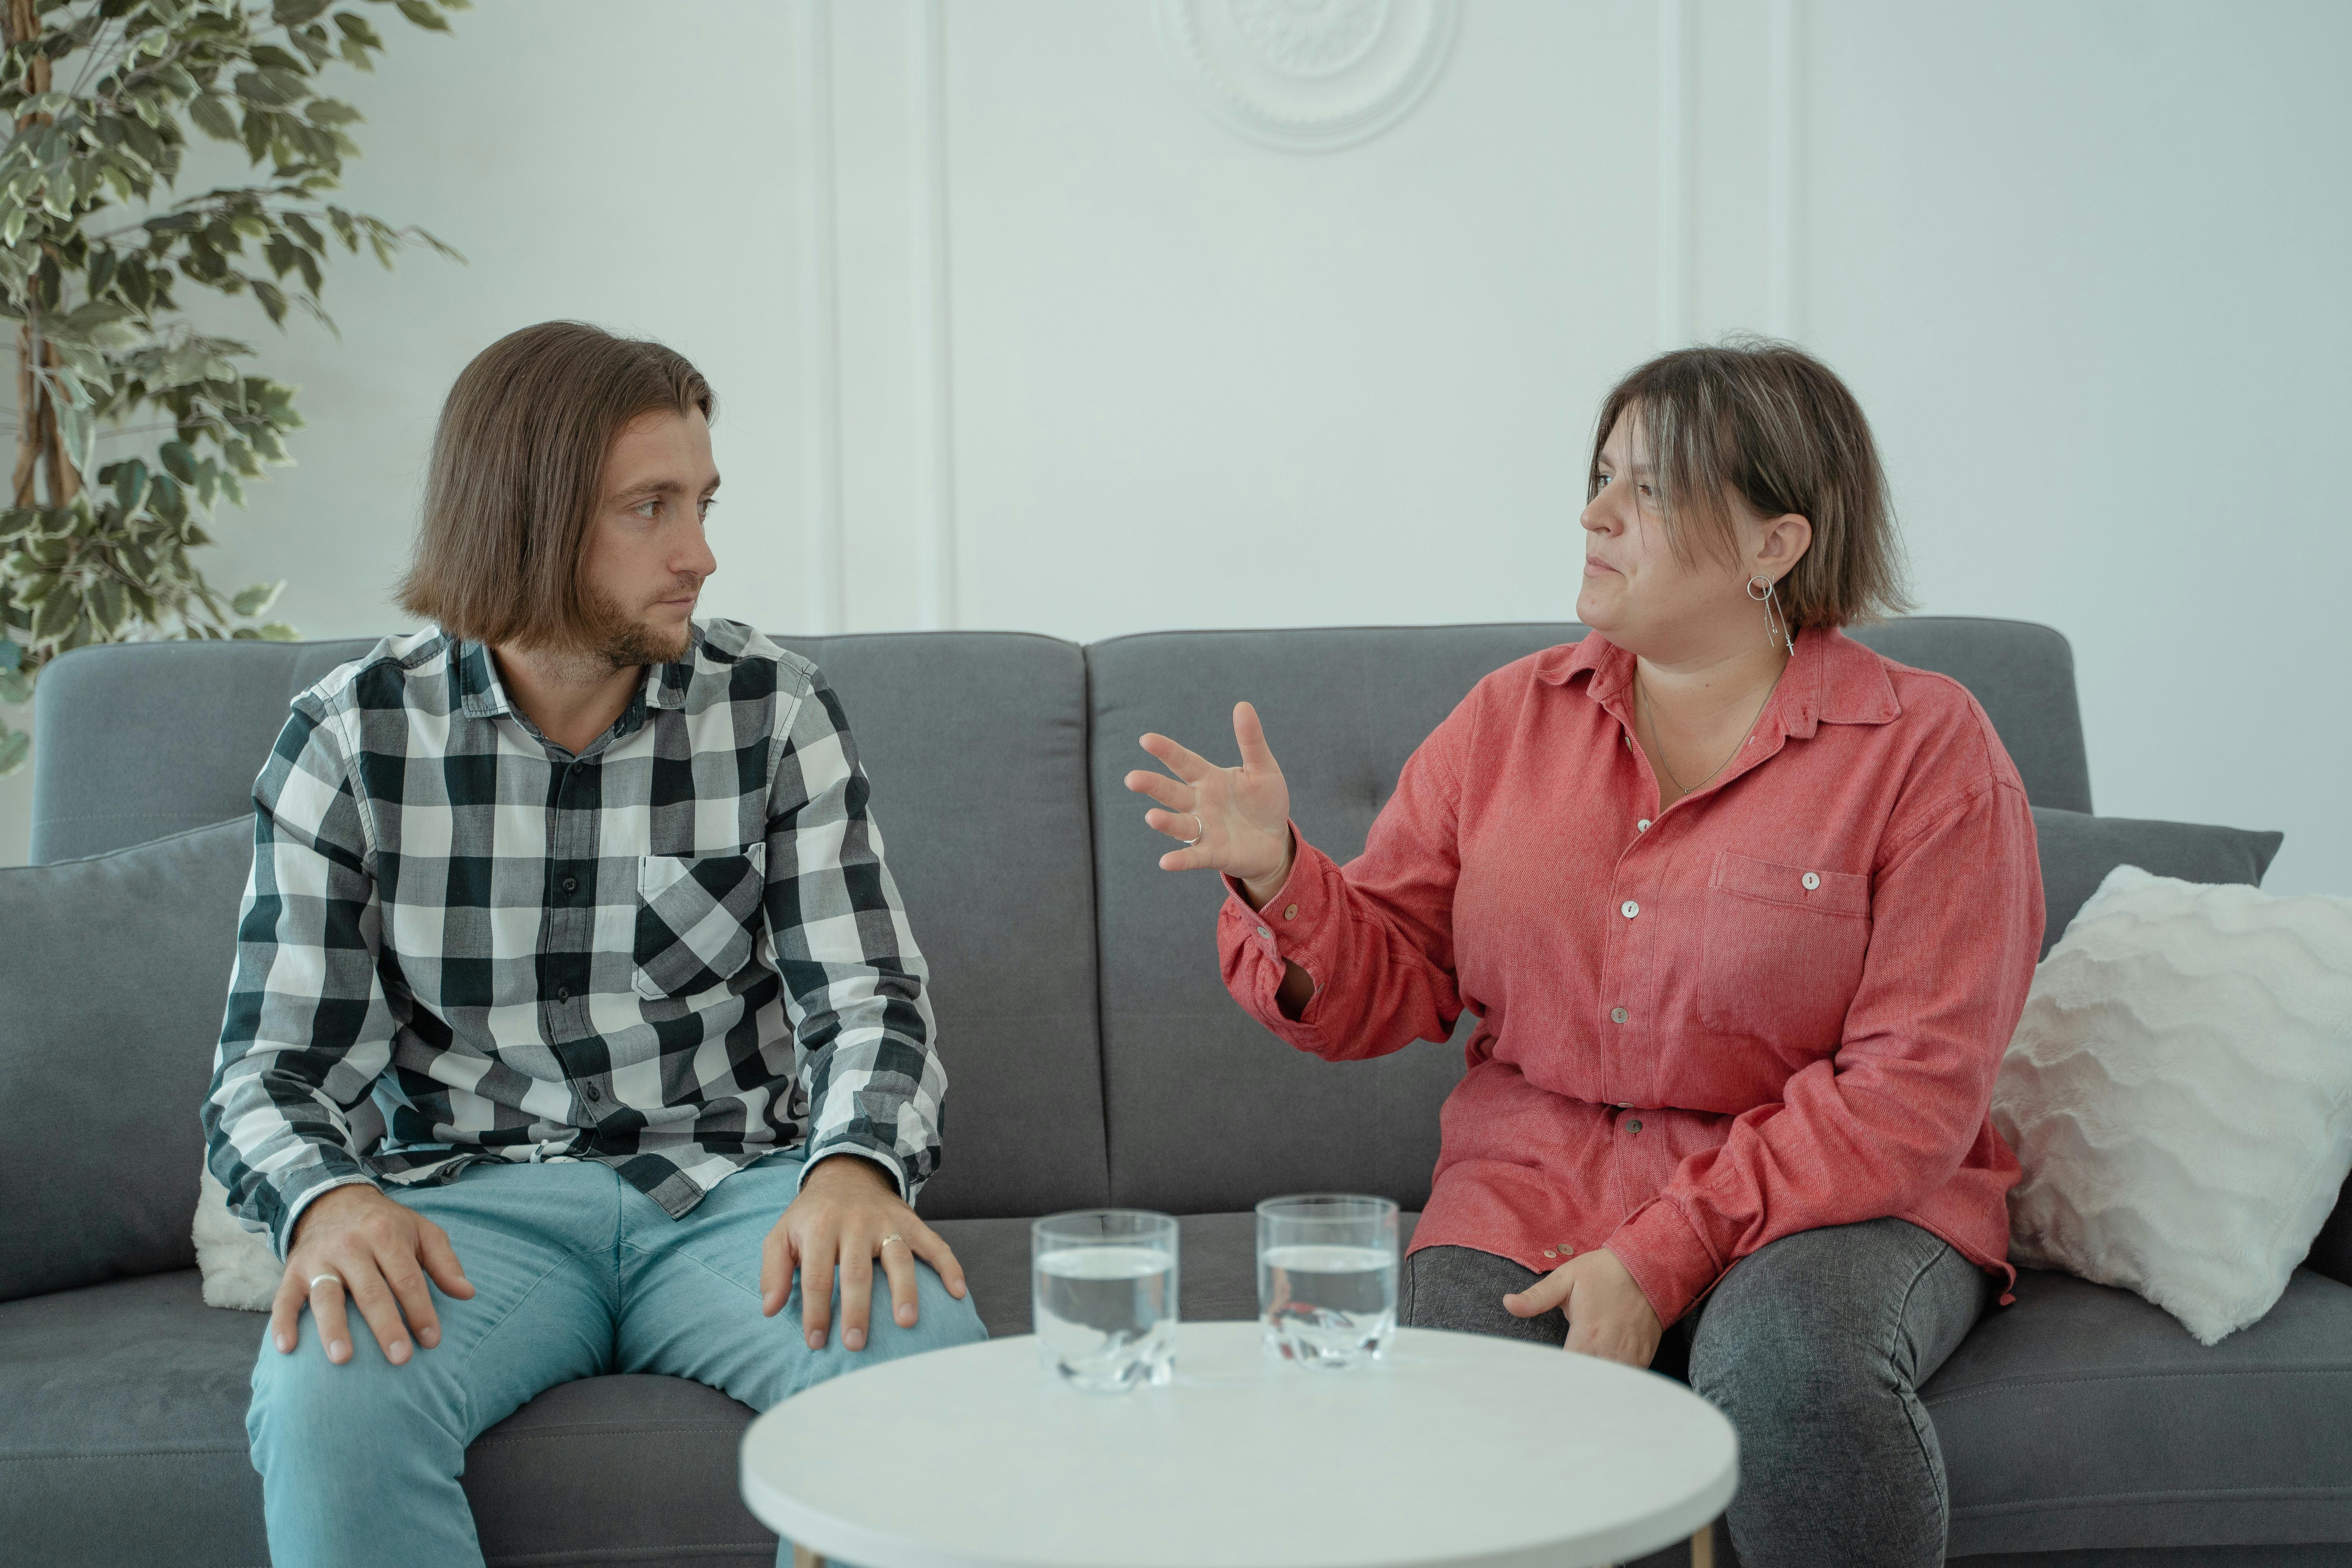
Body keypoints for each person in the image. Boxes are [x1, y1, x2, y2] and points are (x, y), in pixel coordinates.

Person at [1126, 340, 2042, 1567]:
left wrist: (1660, 1255)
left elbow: (1913, 1090)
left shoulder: (1926, 748)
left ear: (1777, 544)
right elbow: (1388, 983)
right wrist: (1280, 878)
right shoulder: (1508, 718)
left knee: (1785, 1369)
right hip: (1536, 1183)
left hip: (1842, 1203)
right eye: (1600, 475)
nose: (1593, 514)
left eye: (1647, 490)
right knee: (1461, 1423)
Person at [203, 320, 985, 1567]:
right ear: (528, 518)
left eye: (704, 503)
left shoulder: (773, 711)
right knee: (326, 1395)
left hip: (737, 1197)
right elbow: (273, 1067)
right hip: (469, 1217)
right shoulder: (350, 739)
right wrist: (333, 1203)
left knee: (926, 1363)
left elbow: (869, 999)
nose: (700, 554)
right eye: (652, 509)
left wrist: (853, 1169)